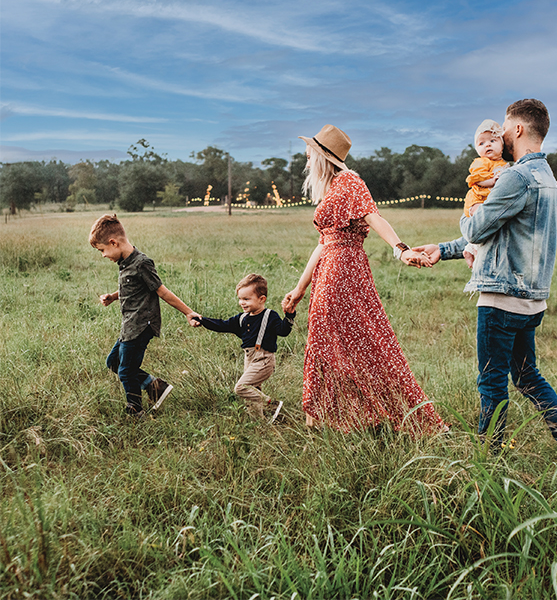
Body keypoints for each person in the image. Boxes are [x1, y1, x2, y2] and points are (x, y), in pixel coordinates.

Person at [414, 100, 557, 465]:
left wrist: (468, 213)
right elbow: (501, 232)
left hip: (502, 298)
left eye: (505, 128)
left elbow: (478, 227)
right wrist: (444, 249)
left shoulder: (515, 177)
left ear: (518, 130)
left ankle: (488, 459)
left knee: (491, 381)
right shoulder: (546, 177)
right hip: (532, 300)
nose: (500, 135)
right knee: (527, 376)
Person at [282, 124, 447, 436]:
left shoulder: (349, 181)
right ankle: (328, 415)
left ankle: (358, 413)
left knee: (357, 341)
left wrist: (401, 250)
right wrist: (300, 287)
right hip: (328, 267)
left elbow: (374, 216)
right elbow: (323, 241)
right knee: (330, 337)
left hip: (343, 269)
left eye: (309, 154)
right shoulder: (332, 187)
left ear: (323, 156)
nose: (306, 159)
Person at [90, 213, 199, 417]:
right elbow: (132, 288)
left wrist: (189, 312)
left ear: (113, 242)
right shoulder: (124, 263)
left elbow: (162, 291)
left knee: (126, 371)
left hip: (141, 325)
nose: (103, 255)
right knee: (113, 362)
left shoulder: (142, 263)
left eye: (102, 250)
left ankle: (135, 410)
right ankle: (155, 386)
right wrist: (114, 296)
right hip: (129, 325)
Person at [189, 273, 294, 423]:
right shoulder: (242, 318)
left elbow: (284, 331)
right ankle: (258, 422)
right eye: (240, 299)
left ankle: (272, 404)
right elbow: (222, 325)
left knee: (241, 388)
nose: (242, 303)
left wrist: (290, 315)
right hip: (249, 359)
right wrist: (202, 320)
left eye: (246, 299)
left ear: (261, 299)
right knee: (252, 394)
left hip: (264, 360)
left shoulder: (270, 316)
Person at [462, 119, 509, 259]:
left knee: (490, 224)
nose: (487, 144)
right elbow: (477, 179)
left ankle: (470, 248)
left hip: (489, 199)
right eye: (481, 143)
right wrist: (492, 181)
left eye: (492, 141)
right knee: (481, 219)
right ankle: (472, 248)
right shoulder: (481, 162)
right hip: (478, 198)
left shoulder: (504, 164)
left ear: (502, 145)